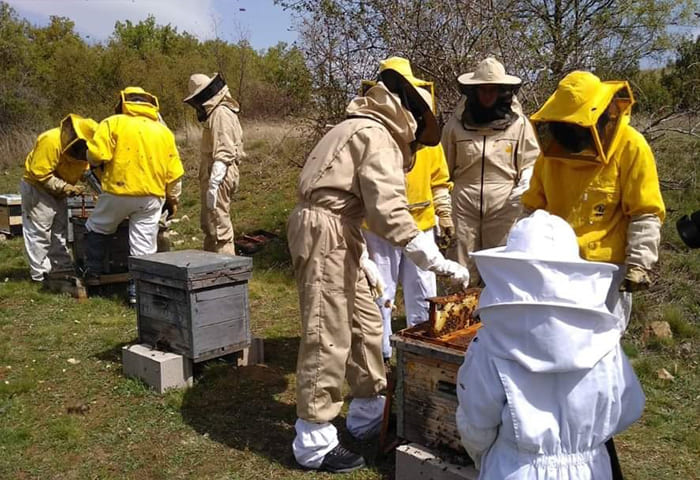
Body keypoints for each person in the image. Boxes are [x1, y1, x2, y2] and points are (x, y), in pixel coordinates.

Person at [288, 64, 471, 473]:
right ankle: (313, 440)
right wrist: (436, 260)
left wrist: (363, 256)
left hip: (338, 229)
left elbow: (350, 201)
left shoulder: (358, 129)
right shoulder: (377, 136)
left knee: (368, 322)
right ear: (408, 112)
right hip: (327, 230)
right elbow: (388, 212)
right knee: (328, 328)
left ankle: (368, 413)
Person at [456, 210, 645, 480]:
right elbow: (629, 407)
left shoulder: (490, 342)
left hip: (515, 468)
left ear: (511, 271)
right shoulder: (605, 339)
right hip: (591, 469)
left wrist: (485, 456)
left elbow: (477, 423)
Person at [522, 71, 666, 329]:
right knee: (556, 339)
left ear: (600, 116)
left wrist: (639, 263)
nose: (570, 135)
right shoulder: (550, 153)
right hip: (555, 267)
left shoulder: (631, 146)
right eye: (565, 127)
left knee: (601, 345)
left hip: (606, 271)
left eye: (576, 128)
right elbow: (532, 209)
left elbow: (644, 212)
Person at [361, 56, 454, 361]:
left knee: (424, 290)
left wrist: (444, 214)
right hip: (379, 227)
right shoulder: (373, 132)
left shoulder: (428, 135)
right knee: (380, 290)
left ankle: (420, 349)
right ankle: (381, 351)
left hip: (421, 224)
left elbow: (439, 180)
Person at [442, 57, 540, 286]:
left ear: (502, 91)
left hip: (505, 202)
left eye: (492, 90)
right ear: (474, 91)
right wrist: (442, 203)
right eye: (482, 90)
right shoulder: (455, 124)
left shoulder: (519, 124)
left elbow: (530, 161)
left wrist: (525, 182)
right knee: (460, 266)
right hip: (463, 201)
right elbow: (442, 167)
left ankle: (498, 319)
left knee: (502, 266)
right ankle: (460, 318)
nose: (487, 95)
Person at [84, 87, 184, 304]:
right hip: (152, 196)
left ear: (123, 103)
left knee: (97, 227)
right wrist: (173, 198)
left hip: (118, 191)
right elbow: (174, 173)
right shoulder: (164, 132)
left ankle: (93, 277)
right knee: (143, 246)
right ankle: (137, 294)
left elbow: (96, 154)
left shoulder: (113, 123)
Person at [20, 114, 97, 282]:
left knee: (59, 230)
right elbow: (39, 173)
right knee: (40, 230)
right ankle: (40, 275)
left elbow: (86, 171)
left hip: (59, 193)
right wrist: (65, 187)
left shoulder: (83, 149)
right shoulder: (51, 140)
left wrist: (99, 189)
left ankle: (61, 268)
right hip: (37, 188)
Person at [183, 73, 245, 254]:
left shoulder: (220, 113)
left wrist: (214, 183)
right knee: (210, 227)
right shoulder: (219, 112)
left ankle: (227, 274)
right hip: (216, 174)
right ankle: (210, 272)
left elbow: (224, 150)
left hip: (220, 175)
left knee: (219, 229)